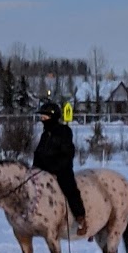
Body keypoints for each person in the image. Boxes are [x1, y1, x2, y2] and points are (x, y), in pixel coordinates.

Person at [33, 99, 87, 235]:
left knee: (70, 190)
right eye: (41, 117)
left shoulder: (64, 132)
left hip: (62, 170)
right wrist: (34, 170)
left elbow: (67, 153)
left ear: (53, 117)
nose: (42, 119)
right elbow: (38, 153)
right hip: (44, 171)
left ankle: (81, 219)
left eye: (45, 117)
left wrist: (55, 169)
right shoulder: (45, 135)